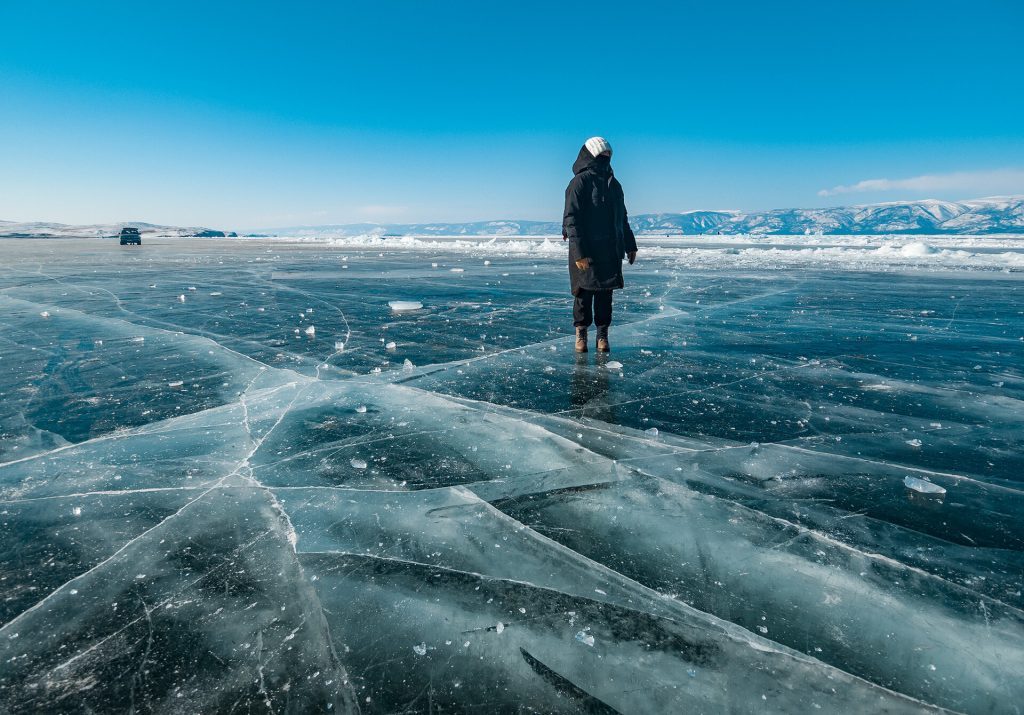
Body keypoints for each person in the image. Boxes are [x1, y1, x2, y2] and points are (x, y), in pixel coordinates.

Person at [562, 136, 637, 353]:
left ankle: (602, 335)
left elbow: (622, 217)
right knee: (583, 295)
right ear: (590, 155)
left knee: (606, 294)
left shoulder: (615, 185)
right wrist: (579, 253)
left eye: (608, 156)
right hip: (586, 250)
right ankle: (581, 335)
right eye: (601, 155)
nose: (605, 159)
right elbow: (571, 219)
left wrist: (630, 244)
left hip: (610, 249)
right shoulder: (579, 183)